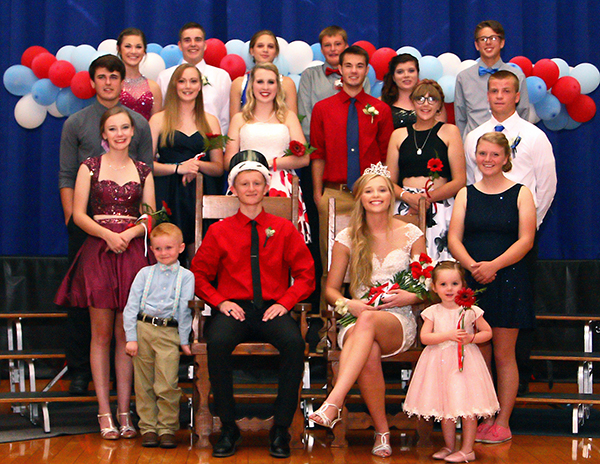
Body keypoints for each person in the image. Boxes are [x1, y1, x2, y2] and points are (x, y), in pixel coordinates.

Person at [191, 150, 315, 459]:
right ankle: (229, 426)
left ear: (265, 187)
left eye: (256, 183)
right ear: (234, 187)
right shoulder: (219, 231)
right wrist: (219, 302)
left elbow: (306, 275)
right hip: (234, 307)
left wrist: (286, 302)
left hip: (273, 307)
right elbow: (198, 275)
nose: (250, 189)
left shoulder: (283, 228)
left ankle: (281, 428)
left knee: (294, 344)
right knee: (217, 343)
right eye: (244, 183)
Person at [308, 167, 425, 458]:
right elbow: (331, 290)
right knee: (368, 346)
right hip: (357, 317)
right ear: (360, 198)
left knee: (369, 320)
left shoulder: (412, 233)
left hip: (398, 319)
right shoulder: (347, 237)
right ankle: (382, 433)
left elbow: (426, 284)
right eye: (369, 191)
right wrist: (350, 304)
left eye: (382, 189)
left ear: (391, 195)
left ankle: (334, 400)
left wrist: (411, 295)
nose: (376, 196)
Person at [55, 107, 156, 440]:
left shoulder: (143, 170)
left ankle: (126, 412)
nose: (120, 134)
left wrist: (128, 235)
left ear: (133, 131)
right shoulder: (89, 167)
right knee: (100, 334)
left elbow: (150, 216)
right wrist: (107, 235)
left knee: (126, 337)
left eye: (125, 127)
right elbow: (79, 215)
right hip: (99, 252)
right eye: (113, 129)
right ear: (104, 134)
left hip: (132, 256)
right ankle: (104, 412)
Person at [464, 70, 557, 394]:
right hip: (478, 248)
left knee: (511, 339)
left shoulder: (534, 136)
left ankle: (511, 403)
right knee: (479, 340)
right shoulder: (474, 135)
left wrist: (526, 226)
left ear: (517, 96)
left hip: (517, 243)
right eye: (494, 90)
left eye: (506, 90)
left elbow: (546, 187)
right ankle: (479, 405)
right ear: (487, 95)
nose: (499, 96)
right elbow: (470, 182)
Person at [448, 132, 536, 444]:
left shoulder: (521, 193)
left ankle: (502, 421)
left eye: (494, 155)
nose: (488, 160)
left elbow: (526, 239)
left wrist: (493, 266)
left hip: (509, 279)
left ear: (505, 158)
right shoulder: (465, 194)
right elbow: (454, 238)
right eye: (482, 153)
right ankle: (481, 415)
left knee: (503, 354)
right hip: (473, 281)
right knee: (476, 354)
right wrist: (473, 266)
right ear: (475, 155)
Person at [403, 261, 499, 463]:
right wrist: (448, 335)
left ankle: (467, 449)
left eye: (454, 283)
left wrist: (470, 338)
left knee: (466, 406)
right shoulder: (433, 312)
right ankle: (449, 446)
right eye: (444, 284)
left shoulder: (471, 310)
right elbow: (425, 338)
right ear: (435, 287)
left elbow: (487, 332)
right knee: (445, 406)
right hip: (439, 364)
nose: (449, 289)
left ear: (463, 285)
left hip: (465, 365)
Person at [311, 45, 393, 271]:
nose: (354, 71)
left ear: (367, 70)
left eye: (359, 66)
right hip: (334, 194)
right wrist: (318, 195)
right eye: (348, 66)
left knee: (371, 261)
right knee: (331, 264)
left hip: (371, 197)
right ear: (339, 69)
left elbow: (387, 156)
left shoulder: (381, 109)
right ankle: (331, 307)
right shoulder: (322, 109)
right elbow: (318, 154)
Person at [123, 223, 194, 449]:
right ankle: (149, 428)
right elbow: (131, 307)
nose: (164, 253)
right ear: (151, 249)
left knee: (167, 383)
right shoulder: (144, 274)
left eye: (169, 248)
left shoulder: (187, 277)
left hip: (169, 333)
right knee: (143, 383)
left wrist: (184, 340)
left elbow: (185, 311)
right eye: (158, 249)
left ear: (181, 248)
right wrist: (131, 337)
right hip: (143, 329)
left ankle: (167, 428)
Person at [225, 62, 310, 241]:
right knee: (244, 240)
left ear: (277, 87)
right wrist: (251, 169)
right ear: (251, 85)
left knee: (279, 241)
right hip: (246, 184)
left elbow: (304, 158)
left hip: (281, 185)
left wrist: (270, 163)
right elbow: (229, 161)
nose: (265, 87)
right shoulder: (239, 118)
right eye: (260, 82)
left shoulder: (288, 117)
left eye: (270, 82)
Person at [386, 79, 465, 261]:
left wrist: (425, 200)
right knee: (405, 261)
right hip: (405, 206)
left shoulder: (450, 132)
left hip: (439, 205)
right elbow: (389, 181)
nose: (426, 104)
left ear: (439, 105)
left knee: (439, 263)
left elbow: (460, 180)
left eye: (432, 99)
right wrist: (410, 198)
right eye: (420, 99)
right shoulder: (398, 135)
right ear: (413, 102)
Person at [150, 63, 224, 258]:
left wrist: (197, 165)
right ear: (174, 85)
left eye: (193, 81)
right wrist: (178, 168)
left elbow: (219, 167)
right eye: (182, 81)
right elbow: (146, 166)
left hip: (201, 195)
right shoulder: (158, 120)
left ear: (200, 86)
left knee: (201, 255)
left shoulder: (211, 121)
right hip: (168, 192)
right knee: (168, 253)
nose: (187, 86)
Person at [454, 20, 530, 138]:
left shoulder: (517, 76)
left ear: (502, 43)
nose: (488, 42)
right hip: (474, 148)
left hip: (508, 147)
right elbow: (460, 119)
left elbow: (523, 115)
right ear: (476, 45)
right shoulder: (463, 78)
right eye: (483, 39)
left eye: (493, 38)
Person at [156, 22, 231, 133]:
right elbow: (161, 116)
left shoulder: (221, 76)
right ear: (180, 46)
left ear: (205, 45)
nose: (193, 44)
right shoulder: (165, 77)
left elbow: (225, 120)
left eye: (197, 40)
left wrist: (217, 146)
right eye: (187, 40)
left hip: (211, 144)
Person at [297, 25, 370, 140]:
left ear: (346, 47)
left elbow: (364, 113)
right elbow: (305, 114)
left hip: (353, 143)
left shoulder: (359, 77)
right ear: (321, 50)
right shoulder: (309, 75)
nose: (332, 49)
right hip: (318, 143)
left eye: (337, 44)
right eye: (327, 45)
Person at [229, 30, 297, 117]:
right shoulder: (238, 84)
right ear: (251, 51)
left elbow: (292, 121)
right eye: (260, 46)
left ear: (276, 52)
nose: (265, 50)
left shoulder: (287, 84)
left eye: (270, 46)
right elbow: (234, 123)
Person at [380, 54, 446, 129]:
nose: (406, 75)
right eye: (400, 72)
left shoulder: (432, 99)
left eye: (411, 71)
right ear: (393, 77)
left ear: (418, 74)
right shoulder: (381, 102)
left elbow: (441, 131)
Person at [117, 27, 162, 120]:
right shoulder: (112, 84)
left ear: (144, 50)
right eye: (128, 46)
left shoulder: (154, 87)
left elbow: (157, 125)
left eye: (138, 47)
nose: (133, 51)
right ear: (119, 49)